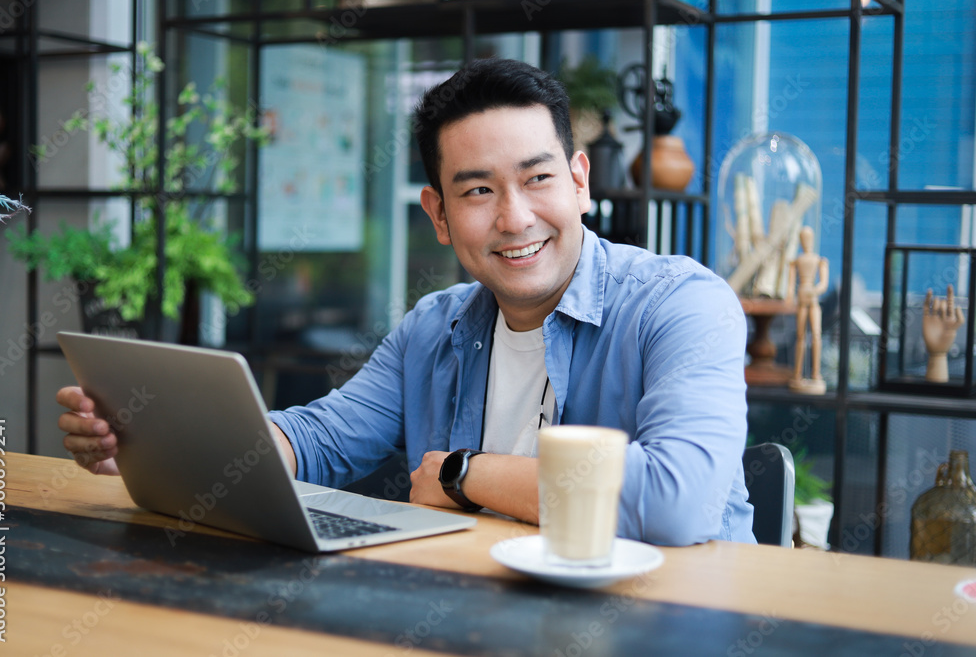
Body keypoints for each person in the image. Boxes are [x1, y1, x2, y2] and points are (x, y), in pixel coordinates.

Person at [56, 58, 755, 546]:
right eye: (478, 190)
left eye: (538, 178)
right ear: (439, 215)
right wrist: (162, 447)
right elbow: (320, 439)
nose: (515, 218)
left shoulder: (681, 305)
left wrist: (462, 473)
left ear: (579, 182)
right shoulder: (435, 327)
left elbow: (675, 501)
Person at [786, 225, 828, 395]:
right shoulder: (796, 261)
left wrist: (815, 290)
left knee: (816, 335)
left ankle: (815, 373)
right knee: (800, 336)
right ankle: (797, 373)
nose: (806, 241)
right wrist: (790, 298)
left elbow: (823, 284)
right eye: (803, 238)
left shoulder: (819, 260)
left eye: (808, 238)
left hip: (812, 297)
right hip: (802, 296)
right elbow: (790, 285)